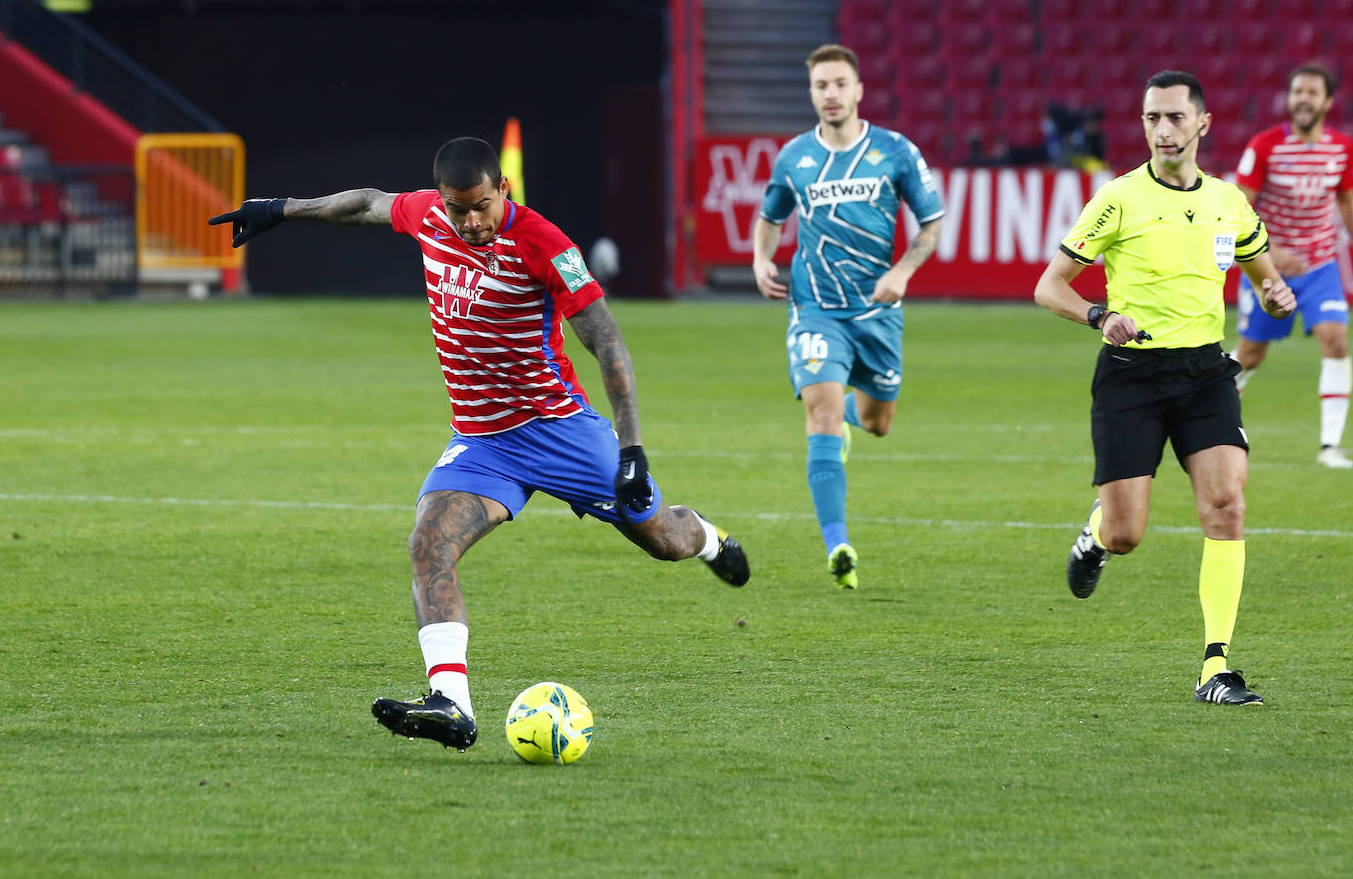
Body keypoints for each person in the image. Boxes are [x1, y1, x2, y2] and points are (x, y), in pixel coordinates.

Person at [209, 137, 750, 750]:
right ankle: (451, 705)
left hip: (562, 432)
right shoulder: (429, 216)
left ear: (505, 191)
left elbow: (609, 345)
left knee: (664, 541)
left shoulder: (545, 243)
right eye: (457, 207)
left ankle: (706, 536)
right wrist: (280, 208)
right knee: (428, 542)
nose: (470, 222)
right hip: (484, 441)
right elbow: (365, 204)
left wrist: (632, 451)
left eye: (482, 207)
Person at [1034, 71, 1296, 706]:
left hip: (1205, 372)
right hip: (1133, 374)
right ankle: (1097, 538)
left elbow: (1263, 271)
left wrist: (1274, 291)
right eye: (1152, 118)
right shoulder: (1119, 200)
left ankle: (1216, 666)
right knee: (1128, 533)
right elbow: (1049, 285)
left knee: (1227, 505)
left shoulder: (1229, 203)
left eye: (1176, 117)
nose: (1163, 130)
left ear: (1202, 124)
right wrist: (1100, 316)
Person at [751, 43, 943, 589]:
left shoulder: (896, 152)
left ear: (858, 90)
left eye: (839, 84)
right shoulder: (794, 158)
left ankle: (853, 422)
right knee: (822, 415)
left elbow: (930, 225)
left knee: (879, 420)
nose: (830, 95)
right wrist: (762, 258)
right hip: (815, 311)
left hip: (878, 310)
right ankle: (838, 545)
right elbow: (771, 216)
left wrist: (903, 270)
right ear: (811, 93)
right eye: (820, 86)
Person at [1234, 63, 1353, 469]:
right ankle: (1209, 410)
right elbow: (1238, 207)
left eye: (1311, 92)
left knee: (1336, 342)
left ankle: (1329, 448)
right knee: (1251, 354)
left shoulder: (1341, 148)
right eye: (1297, 91)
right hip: (1269, 267)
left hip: (1320, 265)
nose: (1302, 98)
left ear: (1328, 101)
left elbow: (1346, 202)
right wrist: (1273, 251)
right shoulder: (1265, 145)